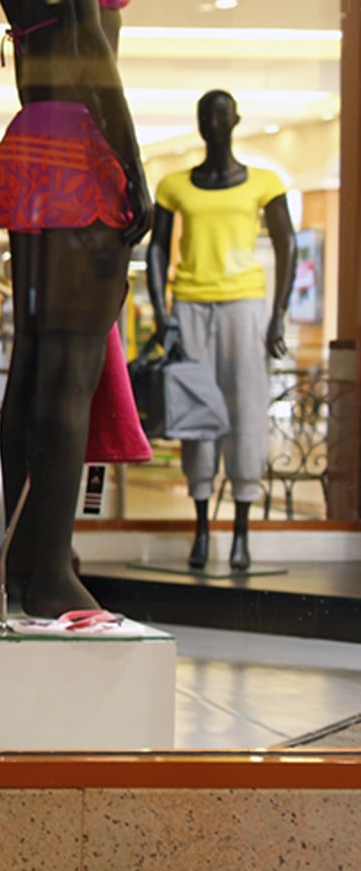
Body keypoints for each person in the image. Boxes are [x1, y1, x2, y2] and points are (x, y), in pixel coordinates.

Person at [0, 0, 153, 619]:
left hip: (31, 145)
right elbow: (90, 53)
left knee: (37, 366)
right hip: (76, 150)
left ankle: (29, 561)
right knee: (69, 373)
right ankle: (47, 572)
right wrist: (135, 165)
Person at [147, 89, 296, 570]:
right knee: (197, 416)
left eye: (222, 115)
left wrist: (277, 314)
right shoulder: (174, 185)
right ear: (198, 123)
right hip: (189, 305)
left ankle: (242, 531)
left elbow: (288, 244)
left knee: (247, 410)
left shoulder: (265, 183)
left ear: (236, 121)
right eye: (206, 116)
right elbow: (157, 248)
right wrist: (160, 311)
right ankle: (203, 527)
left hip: (244, 306)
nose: (214, 123)